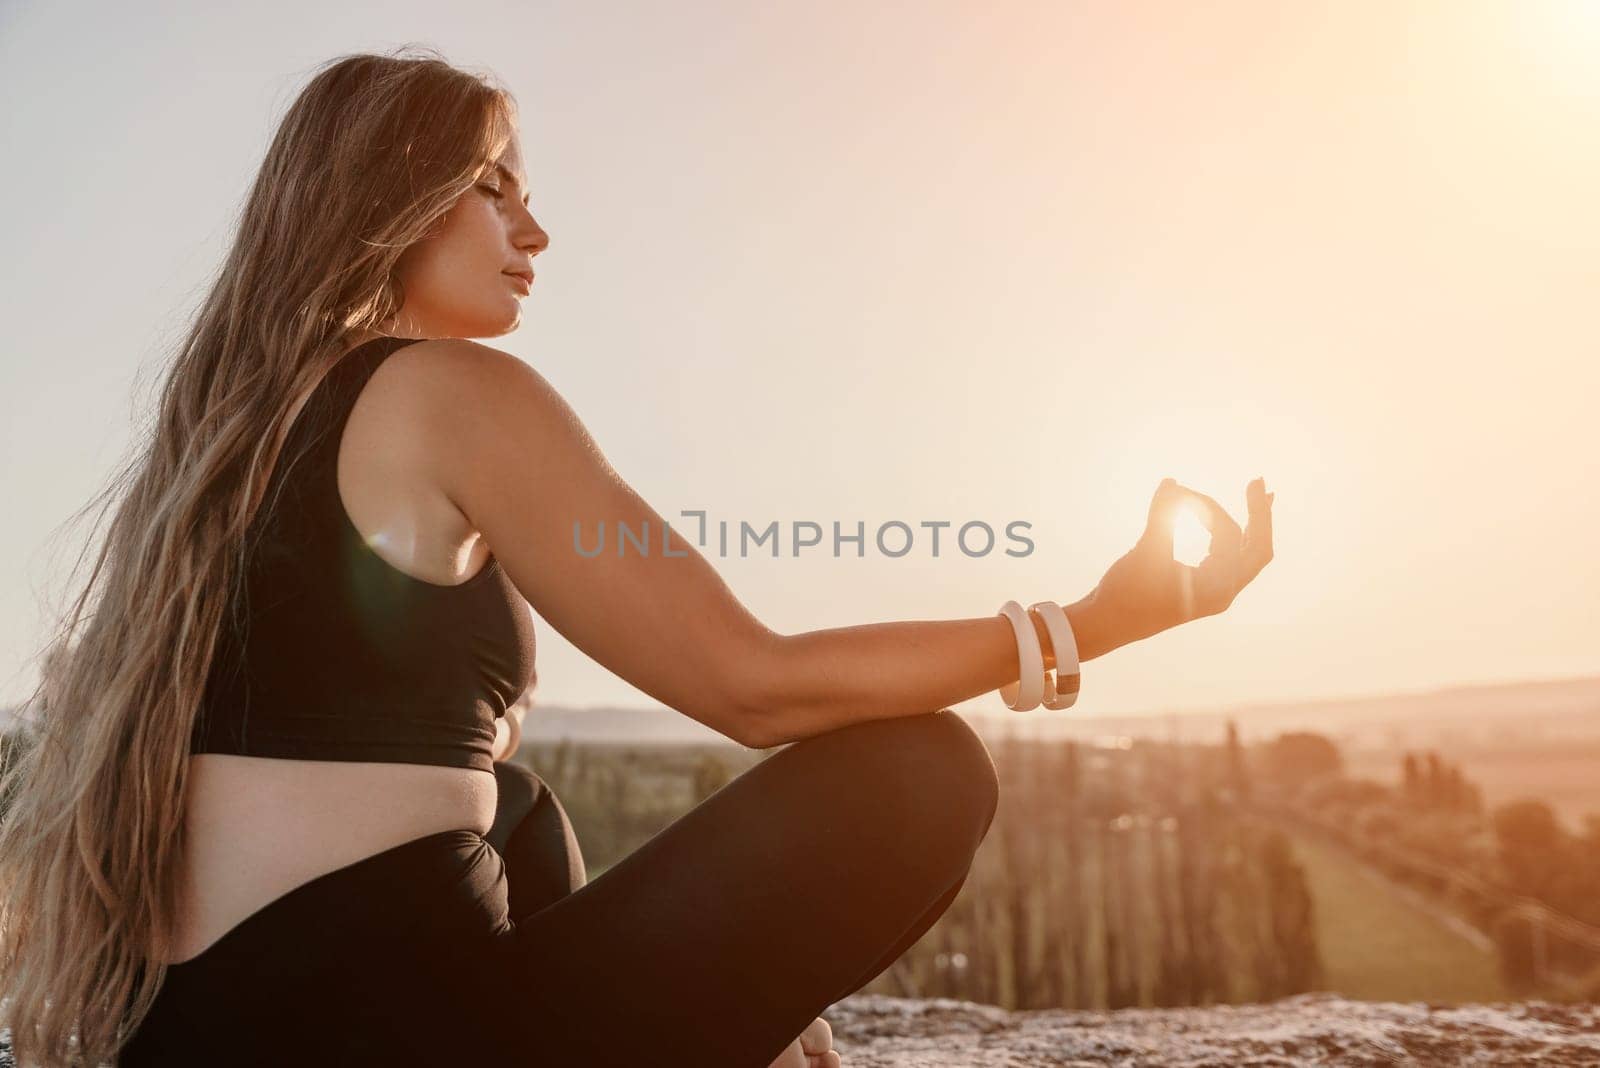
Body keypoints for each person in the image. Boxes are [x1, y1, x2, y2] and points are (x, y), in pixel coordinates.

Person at [0, 46, 1274, 1068]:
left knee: (521, 810)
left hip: (201, 1031)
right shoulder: (452, 392)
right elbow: (752, 686)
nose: (533, 229)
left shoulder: (223, 434)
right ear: (381, 195)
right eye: (491, 184)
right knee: (918, 770)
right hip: (385, 1033)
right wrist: (1099, 620)